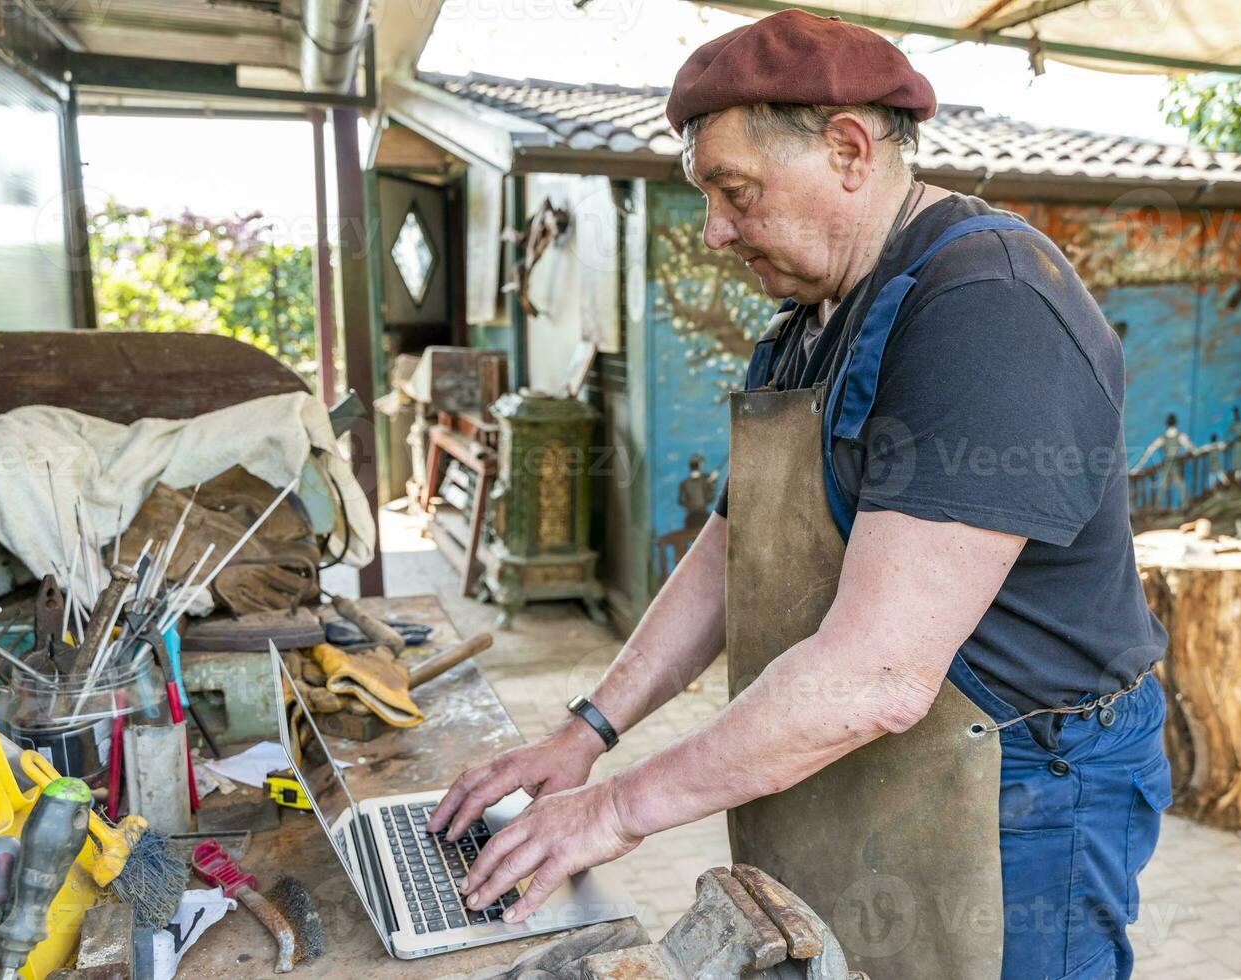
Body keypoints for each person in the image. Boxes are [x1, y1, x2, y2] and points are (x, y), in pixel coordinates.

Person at [429, 11, 1170, 978]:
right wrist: (587, 734)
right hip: (869, 757)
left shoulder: (988, 307)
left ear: (850, 149)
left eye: (734, 191)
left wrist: (615, 812)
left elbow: (876, 676)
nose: (716, 230)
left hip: (1021, 786)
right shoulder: (809, 317)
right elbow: (733, 548)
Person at [1132, 413, 1196, 509]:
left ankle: (1157, 508)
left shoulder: (1162, 438)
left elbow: (1149, 451)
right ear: (1176, 422)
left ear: (1166, 423)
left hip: (1167, 464)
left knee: (1162, 486)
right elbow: (1191, 448)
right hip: (1175, 464)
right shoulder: (1181, 436)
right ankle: (1185, 506)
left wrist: (1137, 467)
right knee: (1180, 485)